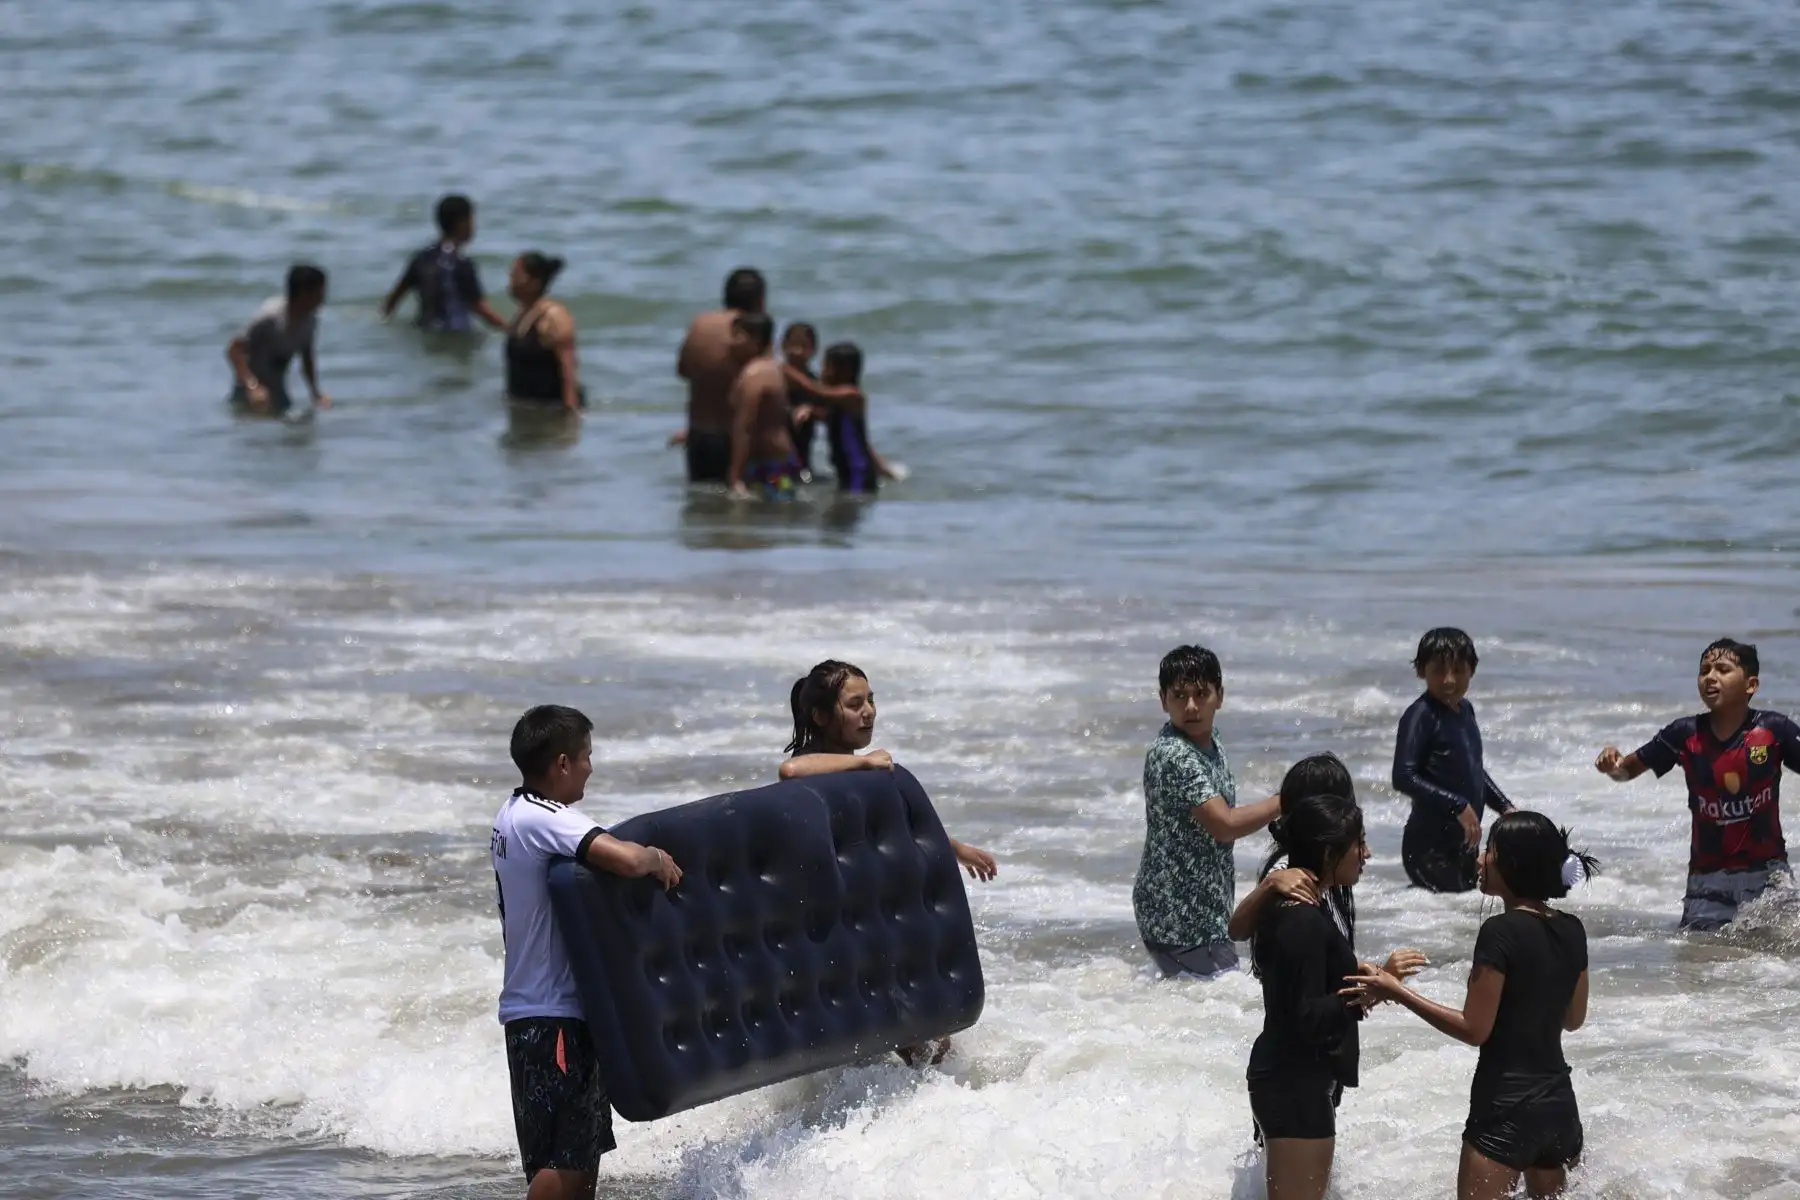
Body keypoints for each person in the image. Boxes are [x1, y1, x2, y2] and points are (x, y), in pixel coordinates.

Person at [1346, 813, 1599, 1200]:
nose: (1479, 860)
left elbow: (1474, 1028)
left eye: (1490, 851)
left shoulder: (1499, 932)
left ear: (1514, 863)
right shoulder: (1572, 929)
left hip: (1506, 1109)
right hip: (1559, 1110)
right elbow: (1574, 1019)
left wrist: (1396, 990)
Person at [490, 705, 682, 1200]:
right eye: (586, 757)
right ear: (560, 763)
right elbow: (621, 857)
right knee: (568, 1166)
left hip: (538, 1013)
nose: (590, 768)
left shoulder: (510, 815)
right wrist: (655, 858)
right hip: (553, 1016)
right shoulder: (546, 818)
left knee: (581, 1157)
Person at [778, 659, 997, 1066]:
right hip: (842, 929)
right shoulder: (822, 765)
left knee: (933, 1040)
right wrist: (862, 762)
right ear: (822, 715)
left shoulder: (864, 770)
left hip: (878, 918)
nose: (869, 711)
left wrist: (955, 848)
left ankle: (937, 1107)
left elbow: (893, 830)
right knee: (910, 1036)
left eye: (871, 700)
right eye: (855, 703)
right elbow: (790, 769)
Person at [1247, 790, 1403, 1200]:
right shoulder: (1302, 920)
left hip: (1292, 1078)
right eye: (1360, 844)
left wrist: (1359, 974)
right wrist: (1371, 989)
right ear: (1331, 852)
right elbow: (1309, 1017)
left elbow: (1307, 987)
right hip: (1294, 1084)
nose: (1367, 854)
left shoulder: (1305, 908)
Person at [1594, 637, 1799, 929]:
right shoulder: (1684, 734)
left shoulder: (1774, 730)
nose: (1710, 677)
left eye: (1723, 669)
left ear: (1750, 685)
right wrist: (1610, 765)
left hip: (1769, 876)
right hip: (1707, 880)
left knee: (1779, 961)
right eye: (1704, 670)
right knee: (1700, 961)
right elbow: (1626, 771)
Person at [1132, 645, 1280, 979]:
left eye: (1202, 694)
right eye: (1179, 696)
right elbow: (1224, 825)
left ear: (1220, 696)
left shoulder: (1210, 741)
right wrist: (1284, 801)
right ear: (1163, 700)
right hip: (1174, 916)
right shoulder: (1175, 754)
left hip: (1206, 913)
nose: (1192, 707)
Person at [1395, 628, 1515, 894]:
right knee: (1447, 916)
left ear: (1472, 670)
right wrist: (1457, 805)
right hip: (1429, 848)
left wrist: (1505, 807)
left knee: (1463, 917)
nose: (1449, 680)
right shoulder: (1420, 716)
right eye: (1438, 670)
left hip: (1465, 845)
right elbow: (1403, 776)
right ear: (1420, 671)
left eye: (1458, 670)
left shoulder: (1466, 710)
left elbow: (1473, 769)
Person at [673, 268, 765, 483]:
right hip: (733, 440)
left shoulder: (700, 324)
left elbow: (683, 370)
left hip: (697, 436)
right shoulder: (753, 331)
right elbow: (765, 386)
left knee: (702, 507)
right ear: (760, 299)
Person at [379, 193, 506, 333]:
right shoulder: (462, 263)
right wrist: (509, 329)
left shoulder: (422, 258)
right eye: (472, 220)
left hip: (424, 331)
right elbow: (480, 308)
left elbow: (393, 300)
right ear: (462, 223)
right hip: (455, 335)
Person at [792, 342, 900, 494]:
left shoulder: (853, 396)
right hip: (846, 472)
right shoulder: (837, 405)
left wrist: (786, 370)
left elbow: (816, 392)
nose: (822, 372)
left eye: (827, 366)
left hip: (858, 475)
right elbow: (861, 441)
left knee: (845, 512)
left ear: (845, 371)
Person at [226, 264, 331, 416]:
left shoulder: (310, 320)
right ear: (304, 292)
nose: (323, 296)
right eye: (320, 291)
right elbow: (234, 349)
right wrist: (252, 386)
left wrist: (316, 394)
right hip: (250, 394)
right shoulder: (270, 317)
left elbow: (307, 358)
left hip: (277, 391)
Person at [724, 313, 801, 500]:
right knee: (773, 517)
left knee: (779, 511)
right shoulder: (771, 367)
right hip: (773, 462)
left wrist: (735, 476)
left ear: (755, 340)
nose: (731, 342)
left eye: (738, 336)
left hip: (773, 467)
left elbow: (745, 426)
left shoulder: (754, 375)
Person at [504, 253, 583, 412]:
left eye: (516, 274)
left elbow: (568, 371)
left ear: (534, 282)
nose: (510, 280)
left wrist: (571, 416)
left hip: (552, 411)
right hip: (527, 413)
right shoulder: (522, 315)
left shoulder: (553, 316)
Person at [780, 323, 820, 481]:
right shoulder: (775, 377)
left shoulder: (814, 383)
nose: (798, 352)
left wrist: (811, 409)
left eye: (805, 346)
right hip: (776, 453)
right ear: (783, 346)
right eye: (794, 345)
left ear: (814, 350)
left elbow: (829, 412)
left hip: (803, 454)